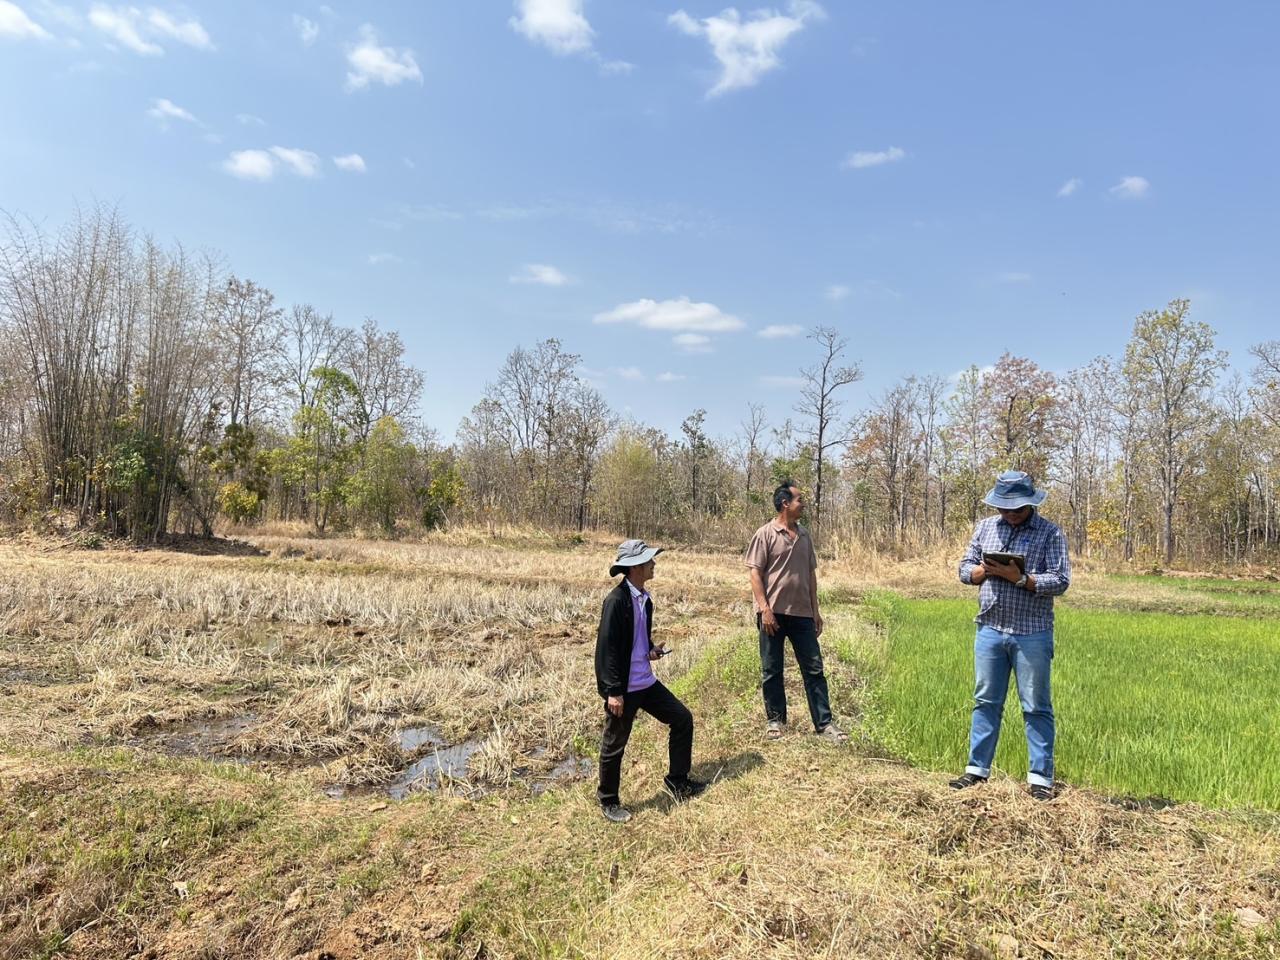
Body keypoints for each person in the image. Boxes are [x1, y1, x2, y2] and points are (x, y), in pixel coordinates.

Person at [951, 470, 1071, 801]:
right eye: (1004, 508)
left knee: (1035, 705)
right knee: (986, 701)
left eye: (1016, 508)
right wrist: (982, 572)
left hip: (1031, 632)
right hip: (990, 627)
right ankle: (976, 771)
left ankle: (1040, 779)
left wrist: (1021, 579)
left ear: (1030, 505)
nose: (1010, 514)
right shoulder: (986, 527)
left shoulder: (1050, 533)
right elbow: (964, 568)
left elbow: (1060, 580)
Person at [594, 538, 707, 823]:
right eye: (649, 560)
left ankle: (677, 781)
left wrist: (650, 650)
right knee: (614, 743)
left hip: (646, 682)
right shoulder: (616, 601)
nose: (654, 564)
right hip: (625, 688)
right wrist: (613, 691)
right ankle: (608, 801)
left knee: (682, 718)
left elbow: (636, 640)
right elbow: (607, 649)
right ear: (635, 567)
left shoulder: (644, 599)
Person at [745, 481, 846, 743]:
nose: (803, 504)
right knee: (772, 669)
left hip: (802, 615)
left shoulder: (804, 536)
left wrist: (816, 611)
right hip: (773, 615)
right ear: (784, 504)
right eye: (799, 499)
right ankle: (775, 720)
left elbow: (811, 576)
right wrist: (764, 609)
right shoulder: (765, 534)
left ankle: (824, 724)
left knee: (814, 669)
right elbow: (755, 573)